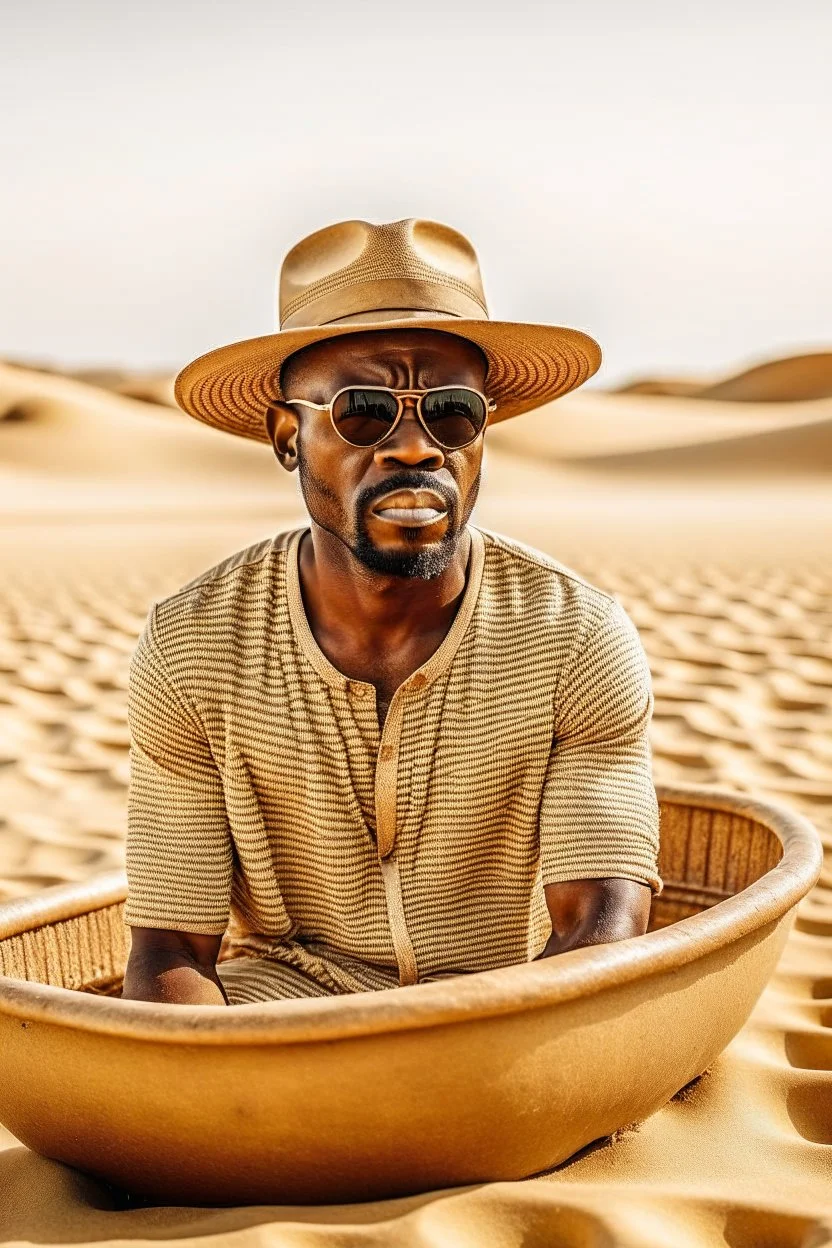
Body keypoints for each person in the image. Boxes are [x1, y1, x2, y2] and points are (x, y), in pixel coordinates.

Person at [122, 218, 660, 1006]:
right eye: (364, 411)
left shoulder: (572, 636)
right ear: (286, 437)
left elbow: (601, 929)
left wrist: (487, 1066)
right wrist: (214, 1088)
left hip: (503, 1007)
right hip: (281, 1010)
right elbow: (171, 945)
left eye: (451, 412)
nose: (415, 447)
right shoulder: (194, 646)